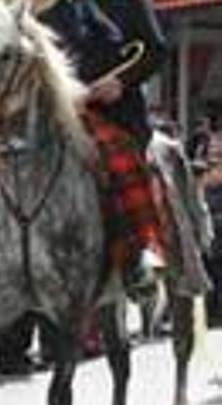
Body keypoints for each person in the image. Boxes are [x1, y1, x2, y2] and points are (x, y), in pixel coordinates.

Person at [37, 0, 168, 295]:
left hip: (114, 111)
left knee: (120, 159)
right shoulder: (47, 8)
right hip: (61, 113)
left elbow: (156, 50)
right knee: (7, 163)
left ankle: (141, 250)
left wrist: (120, 82)